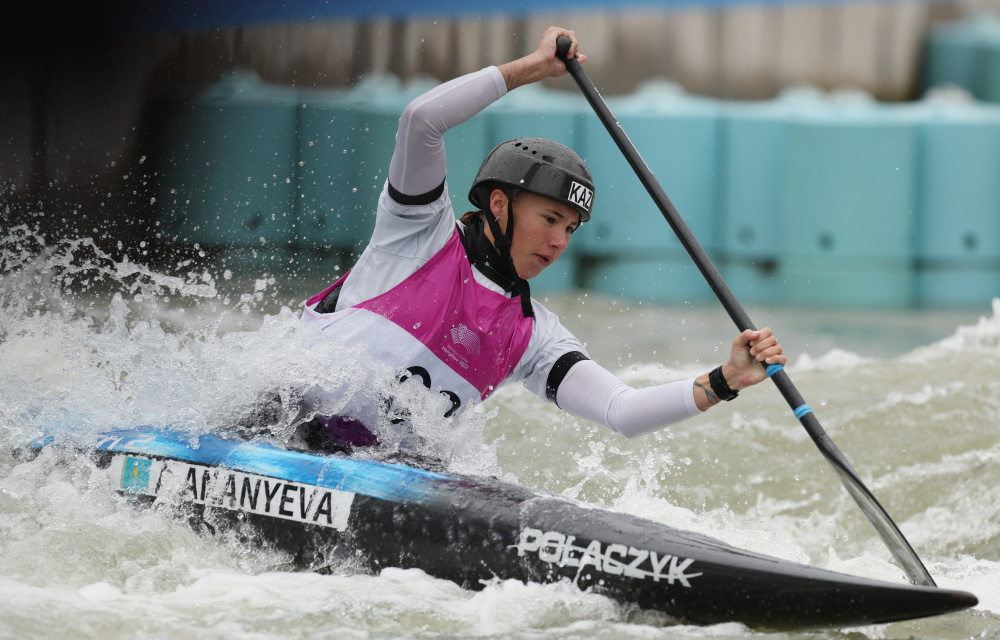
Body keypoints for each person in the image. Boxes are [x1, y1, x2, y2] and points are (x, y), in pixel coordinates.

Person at [297, 27, 785, 453]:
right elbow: (422, 121)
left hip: (378, 472)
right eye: (551, 218)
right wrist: (530, 68)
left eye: (570, 228)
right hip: (279, 428)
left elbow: (622, 409)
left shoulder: (533, 336)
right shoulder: (418, 233)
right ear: (500, 205)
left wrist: (726, 380)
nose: (559, 241)